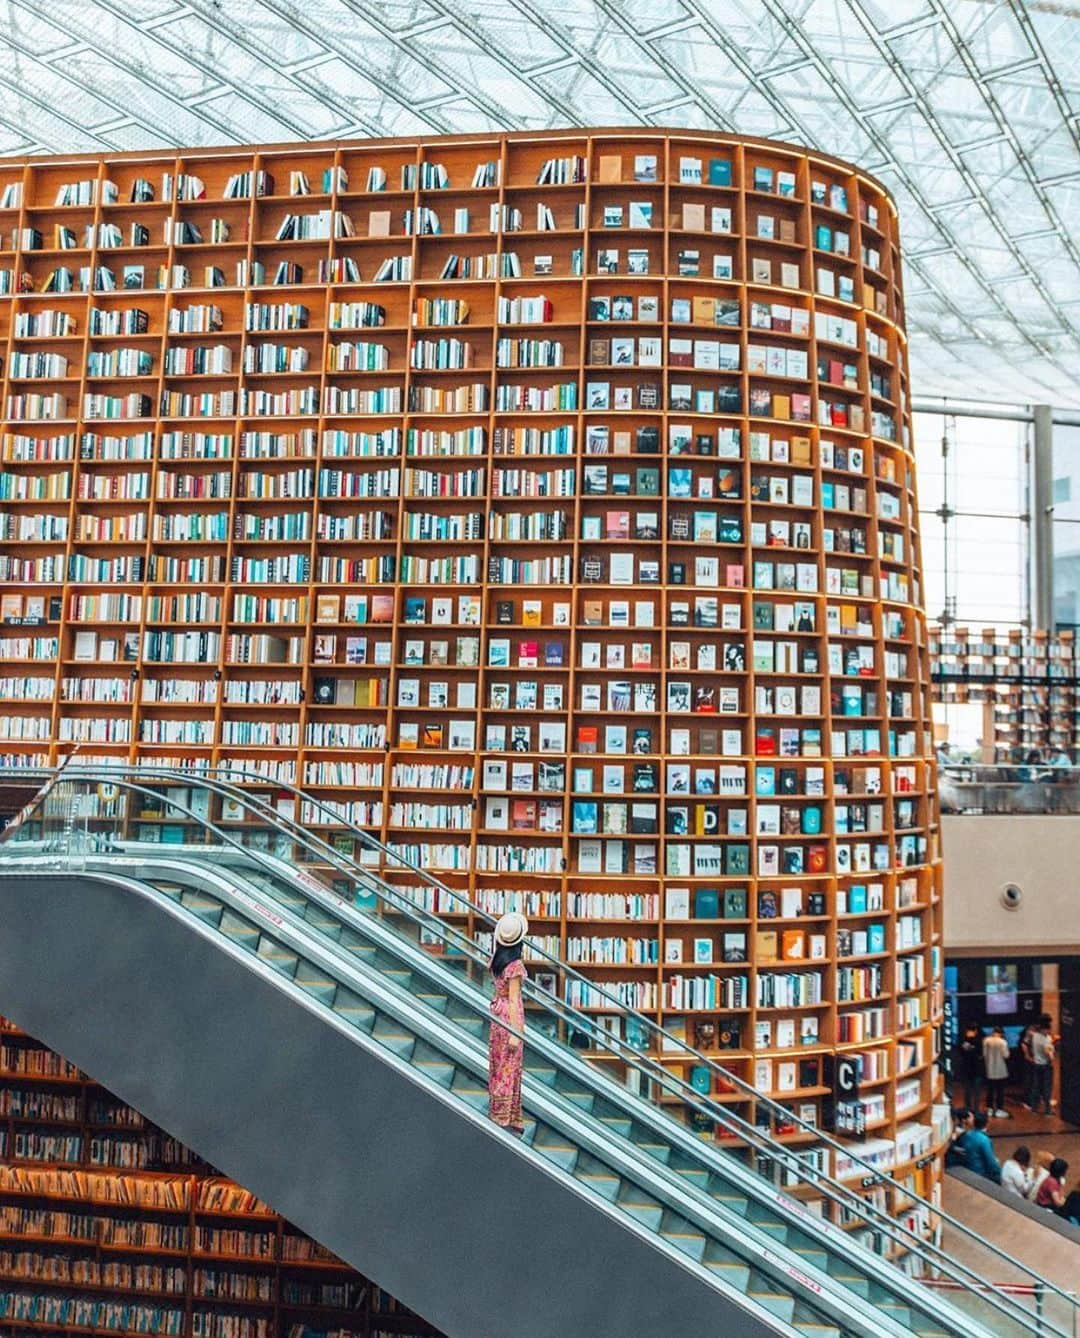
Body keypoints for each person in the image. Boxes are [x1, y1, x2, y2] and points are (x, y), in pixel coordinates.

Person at [488, 910, 528, 1136]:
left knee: (498, 1063)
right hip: (509, 1017)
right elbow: (514, 999)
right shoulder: (515, 966)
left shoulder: (497, 960)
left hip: (496, 1013)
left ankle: (498, 1110)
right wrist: (516, 1032)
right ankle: (506, 1116)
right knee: (510, 1067)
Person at [963, 1111, 1002, 1184]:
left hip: (969, 1168)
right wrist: (1000, 1171)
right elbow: (991, 1163)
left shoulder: (967, 1135)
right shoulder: (984, 1140)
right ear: (987, 1123)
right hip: (981, 1173)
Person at [1028, 1015, 1055, 1115]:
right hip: (1045, 1065)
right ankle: (1048, 1110)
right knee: (1046, 1088)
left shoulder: (1034, 1036)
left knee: (1036, 1086)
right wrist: (1051, 1057)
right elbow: (1048, 1053)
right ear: (1045, 1029)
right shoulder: (1046, 1039)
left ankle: (1034, 1108)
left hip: (1036, 1064)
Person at [982, 1026, 1010, 1117]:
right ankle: (999, 1110)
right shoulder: (1003, 1042)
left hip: (989, 1069)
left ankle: (989, 1109)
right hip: (1001, 1070)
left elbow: (984, 1054)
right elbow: (1006, 1055)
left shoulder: (986, 1041)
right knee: (1000, 1091)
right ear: (1001, 1033)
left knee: (990, 1090)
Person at [955, 1023, 982, 1112]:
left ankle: (968, 1109)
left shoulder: (961, 1041)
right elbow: (981, 1055)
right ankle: (976, 1110)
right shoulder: (979, 1041)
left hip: (965, 1069)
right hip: (977, 1070)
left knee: (967, 1091)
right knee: (976, 1092)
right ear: (976, 1031)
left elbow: (960, 1053)